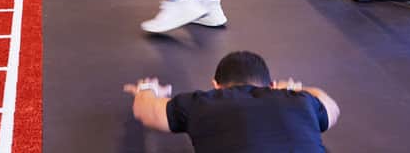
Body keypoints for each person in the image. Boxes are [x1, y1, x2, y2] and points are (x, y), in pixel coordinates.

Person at [124, 50, 340, 152]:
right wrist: (295, 89)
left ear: (215, 85)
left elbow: (146, 111)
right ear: (270, 85)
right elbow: (330, 107)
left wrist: (147, 89)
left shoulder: (201, 103)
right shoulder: (302, 102)